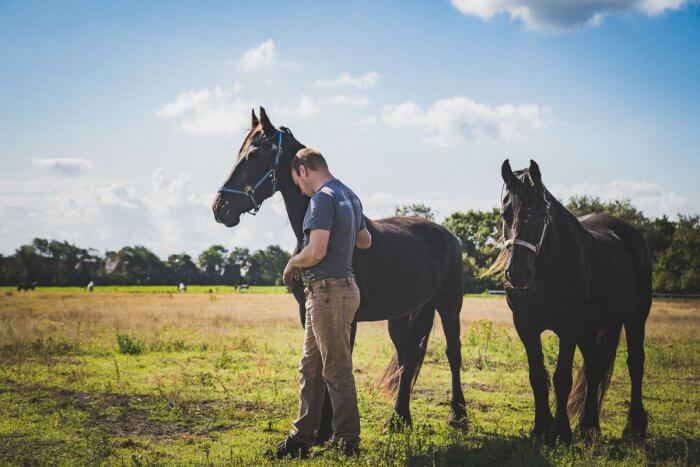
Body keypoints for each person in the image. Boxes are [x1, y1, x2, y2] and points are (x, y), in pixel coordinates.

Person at [272, 147, 372, 459]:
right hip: (337, 291)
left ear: (303, 170)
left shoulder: (322, 198)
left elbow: (315, 252)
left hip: (328, 292)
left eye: (298, 182)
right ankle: (300, 439)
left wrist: (292, 264)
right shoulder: (350, 195)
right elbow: (364, 240)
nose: (300, 190)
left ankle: (347, 442)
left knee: (336, 371)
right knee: (310, 368)